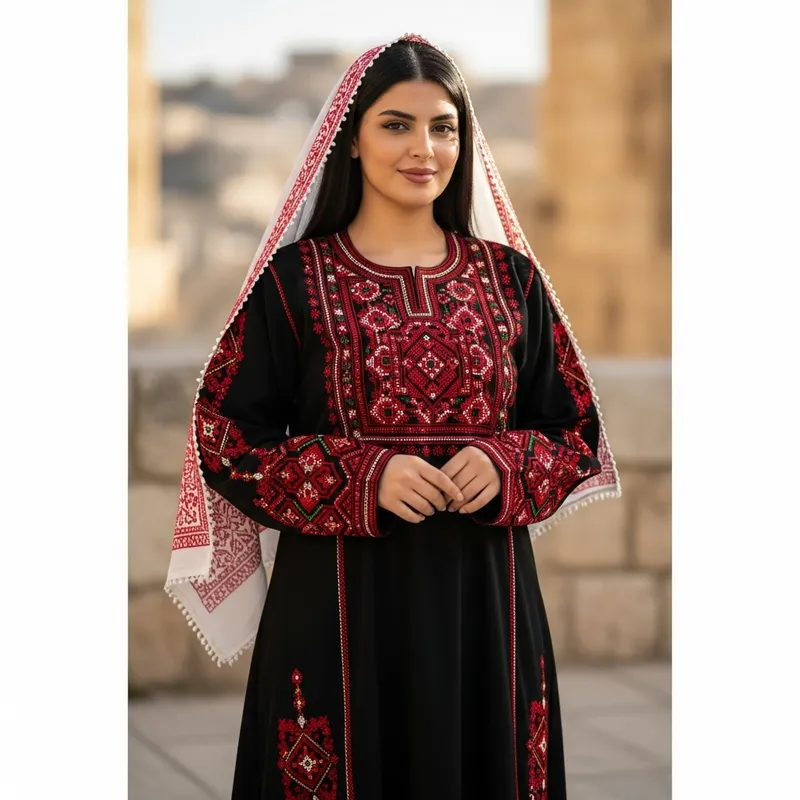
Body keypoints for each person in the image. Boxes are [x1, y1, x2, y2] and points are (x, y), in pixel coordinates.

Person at [165, 33, 620, 800]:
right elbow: (226, 437)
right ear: (351, 140)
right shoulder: (294, 282)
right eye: (396, 125)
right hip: (338, 611)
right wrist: (362, 477)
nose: (423, 148)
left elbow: (575, 432)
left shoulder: (511, 280)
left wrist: (506, 462)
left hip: (487, 609)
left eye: (444, 127)